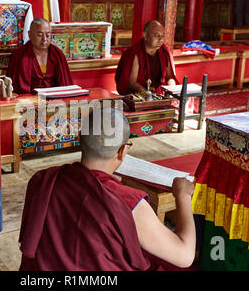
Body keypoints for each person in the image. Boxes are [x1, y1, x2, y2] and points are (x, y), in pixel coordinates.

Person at [19, 107, 196, 271]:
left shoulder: (42, 181)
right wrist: (183, 196)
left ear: (80, 139)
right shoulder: (129, 203)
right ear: (122, 151)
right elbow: (185, 255)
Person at [7, 18, 73, 94]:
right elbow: (14, 88)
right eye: (40, 35)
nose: (44, 39)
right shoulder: (19, 55)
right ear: (30, 34)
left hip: (55, 99)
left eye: (48, 35)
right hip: (29, 101)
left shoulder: (57, 54)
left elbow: (65, 84)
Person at [115, 20, 177, 95]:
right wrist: (148, 94)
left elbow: (170, 77)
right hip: (140, 94)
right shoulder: (135, 52)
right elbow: (132, 83)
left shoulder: (164, 51)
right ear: (145, 35)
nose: (160, 39)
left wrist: (172, 90)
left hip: (160, 94)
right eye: (156, 35)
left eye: (162, 35)